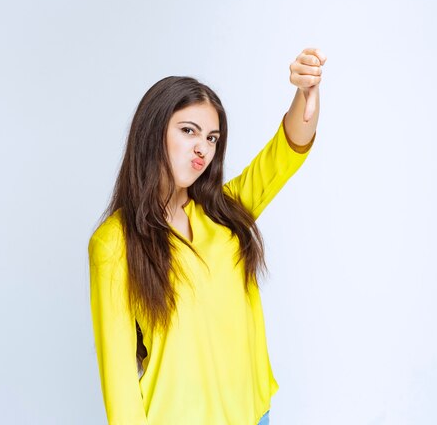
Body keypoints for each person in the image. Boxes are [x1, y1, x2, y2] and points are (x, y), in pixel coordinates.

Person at [88, 47, 326, 424]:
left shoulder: (224, 210)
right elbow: (117, 376)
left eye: (213, 138)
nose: (203, 148)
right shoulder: (114, 241)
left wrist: (306, 94)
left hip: (252, 414)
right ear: (153, 133)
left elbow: (283, 154)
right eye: (188, 131)